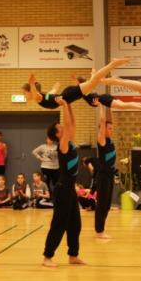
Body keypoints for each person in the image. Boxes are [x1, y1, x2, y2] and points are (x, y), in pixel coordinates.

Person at [42, 97, 86, 268]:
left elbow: (72, 123)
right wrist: (64, 104)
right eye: (60, 127)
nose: (63, 127)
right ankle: (47, 257)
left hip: (70, 191)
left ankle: (73, 255)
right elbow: (68, 125)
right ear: (58, 134)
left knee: (75, 224)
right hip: (62, 191)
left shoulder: (70, 143)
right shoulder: (63, 146)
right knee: (59, 224)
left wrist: (69, 103)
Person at [22, 58, 129, 109]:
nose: (24, 96)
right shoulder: (44, 96)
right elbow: (52, 93)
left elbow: (35, 94)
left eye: (24, 93)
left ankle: (112, 64)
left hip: (69, 94)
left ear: (30, 91)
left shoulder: (38, 98)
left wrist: (31, 84)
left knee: (93, 83)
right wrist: (55, 88)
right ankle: (108, 68)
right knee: (92, 83)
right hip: (68, 94)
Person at [92, 100, 116, 238]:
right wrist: (101, 106)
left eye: (112, 128)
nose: (112, 130)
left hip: (110, 175)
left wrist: (110, 106)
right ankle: (99, 231)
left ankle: (101, 229)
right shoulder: (102, 140)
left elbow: (109, 120)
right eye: (109, 129)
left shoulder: (110, 139)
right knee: (101, 204)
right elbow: (103, 121)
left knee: (107, 205)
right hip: (103, 176)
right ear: (103, 129)